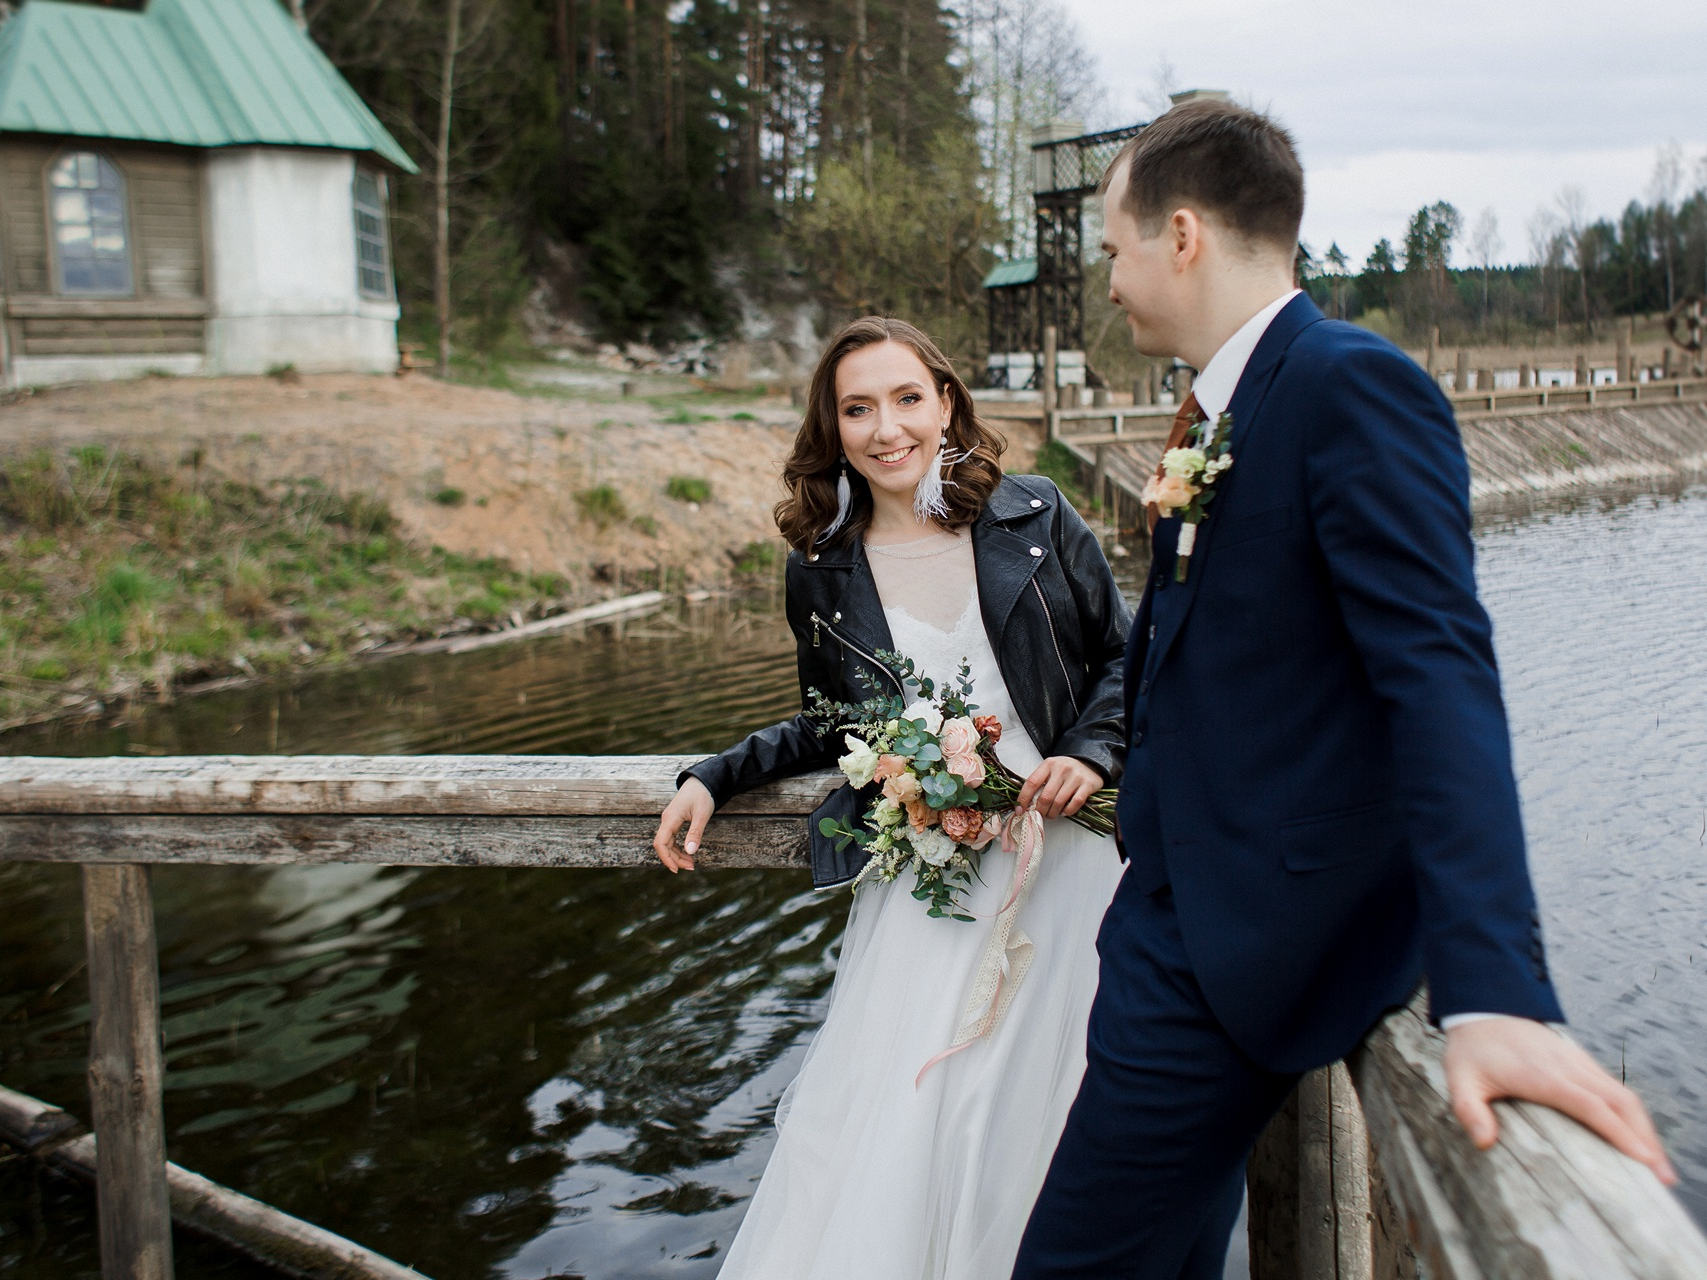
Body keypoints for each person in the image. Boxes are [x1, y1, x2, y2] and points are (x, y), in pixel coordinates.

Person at [1011, 99, 1676, 1280]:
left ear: (1181, 235)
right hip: (1178, 923)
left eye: (1113, 251)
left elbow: (1440, 675)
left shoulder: (1348, 384)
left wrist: (1496, 993)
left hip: (1246, 952)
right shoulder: (1223, 405)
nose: (1107, 283)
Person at [652, 316, 1132, 1280]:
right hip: (936, 888)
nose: (887, 429)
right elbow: (832, 724)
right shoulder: (821, 570)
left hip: (1071, 862)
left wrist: (1091, 750)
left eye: (907, 399)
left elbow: (1128, 658)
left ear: (946, 402)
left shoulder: (1034, 517)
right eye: (858, 408)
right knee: (913, 1125)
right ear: (833, 429)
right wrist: (715, 774)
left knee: (1051, 1125)